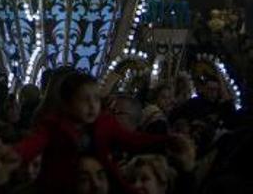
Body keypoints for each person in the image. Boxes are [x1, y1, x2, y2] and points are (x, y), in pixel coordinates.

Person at [11, 72, 185, 193]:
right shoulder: (54, 125)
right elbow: (36, 142)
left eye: (95, 98)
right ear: (67, 104)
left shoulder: (104, 123)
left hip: (103, 179)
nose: (92, 105)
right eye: (84, 99)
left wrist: (166, 140)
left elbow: (133, 139)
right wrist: (16, 153)